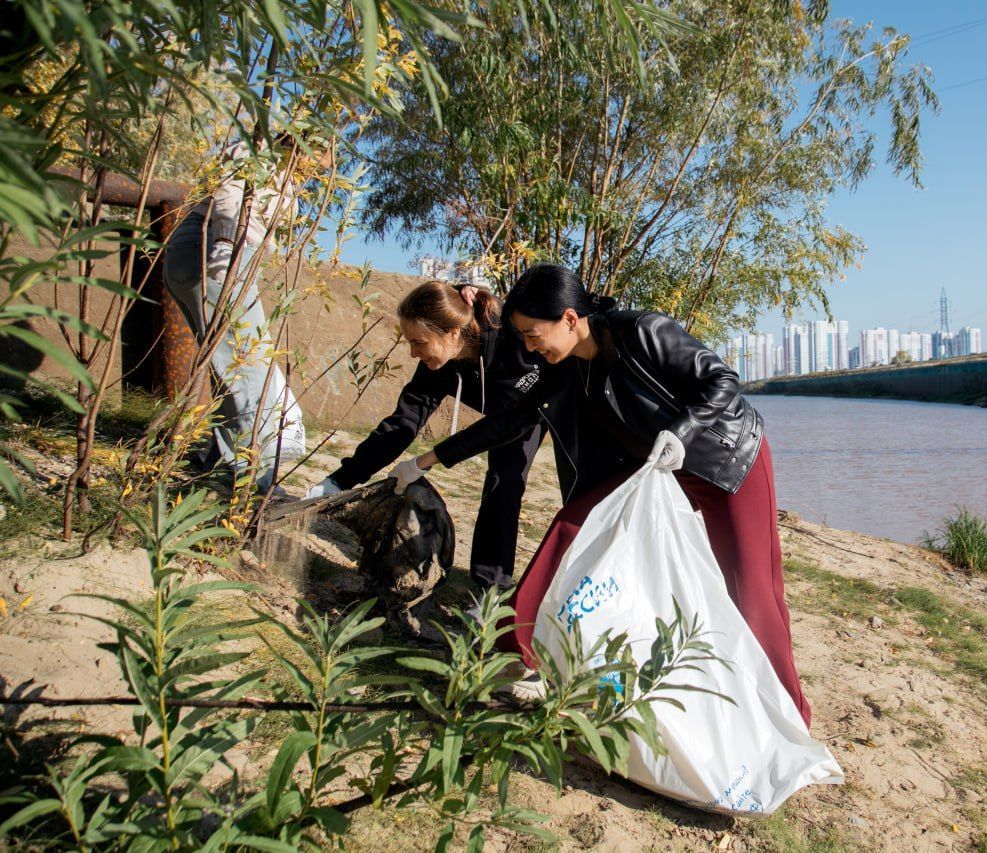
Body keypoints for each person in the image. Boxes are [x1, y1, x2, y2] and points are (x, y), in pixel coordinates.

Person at [405, 264, 812, 726]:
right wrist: (426, 461)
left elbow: (722, 380)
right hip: (655, 470)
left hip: (725, 463)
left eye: (534, 334)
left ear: (570, 319)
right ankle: (513, 652)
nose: (529, 347)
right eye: (523, 337)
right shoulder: (565, 366)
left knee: (752, 592)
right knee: (573, 527)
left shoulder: (643, 331)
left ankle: (791, 715)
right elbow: (510, 420)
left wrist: (682, 431)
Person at [307, 280, 549, 592]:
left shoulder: (509, 336)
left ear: (451, 332)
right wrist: (340, 480)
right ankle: (488, 588)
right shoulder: (439, 366)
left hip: (541, 405)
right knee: (500, 482)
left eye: (418, 342)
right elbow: (402, 424)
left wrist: (426, 460)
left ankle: (495, 590)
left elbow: (508, 423)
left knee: (504, 482)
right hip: (504, 414)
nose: (412, 353)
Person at [164, 135, 316, 492]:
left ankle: (222, 467)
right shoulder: (261, 152)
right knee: (252, 373)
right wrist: (226, 245)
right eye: (329, 150)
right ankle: (255, 486)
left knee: (230, 373)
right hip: (219, 253)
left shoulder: (284, 170)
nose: (329, 161)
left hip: (196, 255)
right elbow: (231, 190)